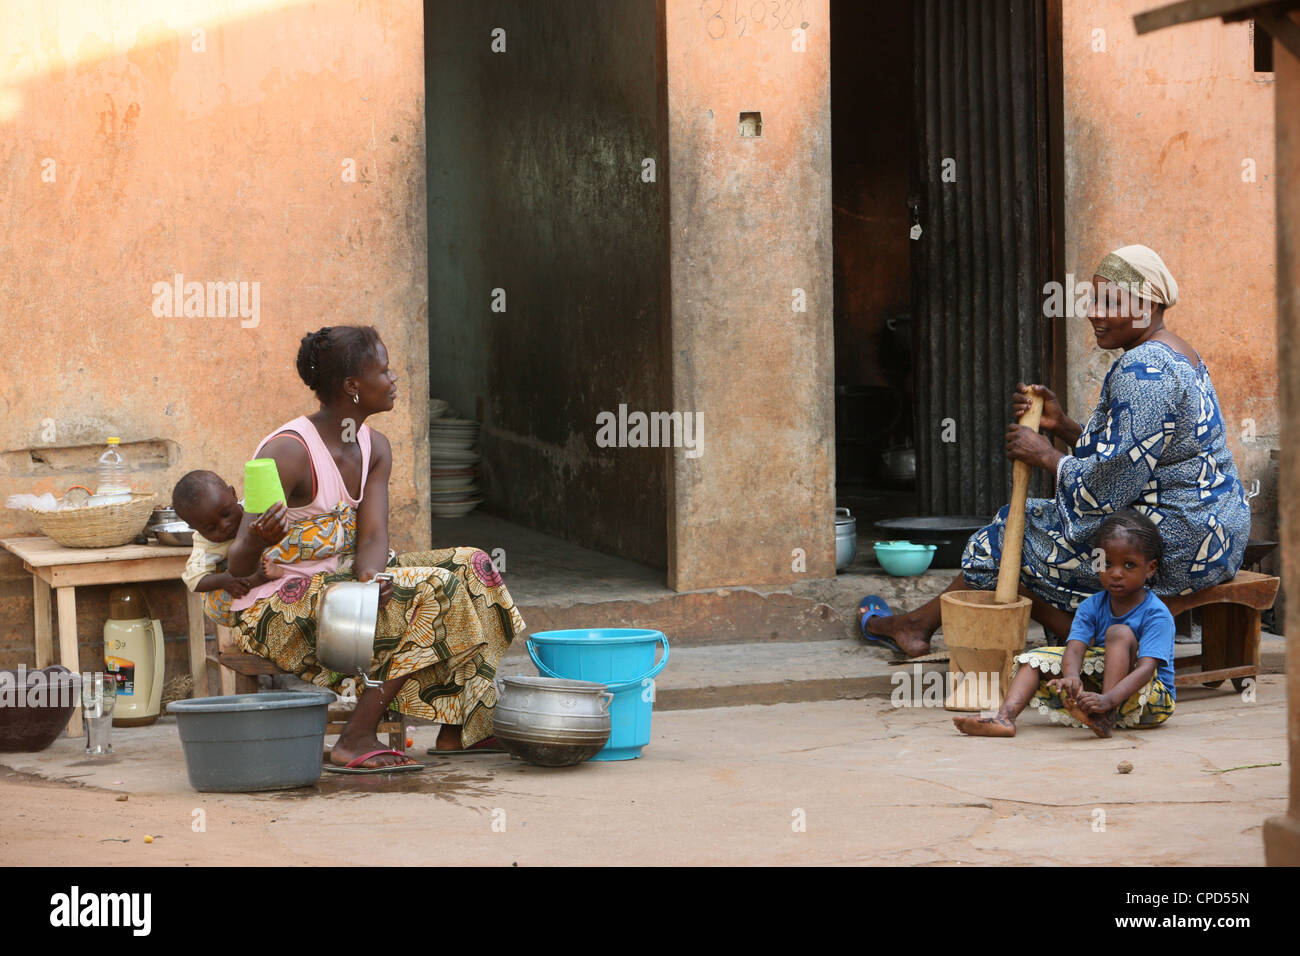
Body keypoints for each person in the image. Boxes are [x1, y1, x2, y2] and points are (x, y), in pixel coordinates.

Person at [860, 244, 1250, 657]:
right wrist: (1063, 426)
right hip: (1215, 531)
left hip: (1177, 545)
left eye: (1109, 302)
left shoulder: (1143, 371)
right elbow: (1137, 459)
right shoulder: (1175, 352)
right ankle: (924, 626)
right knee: (1021, 532)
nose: (1094, 313)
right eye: (1092, 301)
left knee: (1010, 534)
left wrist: (1045, 454)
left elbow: (1105, 488)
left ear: (1146, 304)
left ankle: (1072, 639)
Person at [224, 325, 525, 773]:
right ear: (352, 387)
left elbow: (372, 538)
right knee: (434, 589)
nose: (393, 379)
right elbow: (236, 566)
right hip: (278, 605)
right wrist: (254, 541)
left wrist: (370, 580)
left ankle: (463, 728)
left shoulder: (375, 447)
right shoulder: (286, 453)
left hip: (344, 588)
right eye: (383, 371)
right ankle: (355, 737)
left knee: (474, 566)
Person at [953, 509, 1176, 738]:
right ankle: (1004, 718)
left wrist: (1108, 699)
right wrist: (1072, 676)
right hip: (1100, 696)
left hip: (1148, 700)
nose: (1116, 573)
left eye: (1129, 565)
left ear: (1150, 568)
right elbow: (1076, 647)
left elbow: (1147, 669)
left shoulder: (1156, 613)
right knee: (1035, 660)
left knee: (1118, 633)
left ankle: (1105, 716)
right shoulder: (1092, 606)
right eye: (1107, 563)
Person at [172, 470, 289, 626]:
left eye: (226, 514)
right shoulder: (205, 545)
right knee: (236, 578)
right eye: (210, 528)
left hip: (277, 565)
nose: (225, 526)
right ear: (195, 528)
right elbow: (194, 580)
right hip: (243, 590)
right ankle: (264, 576)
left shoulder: (253, 507)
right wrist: (224, 580)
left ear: (233, 494)